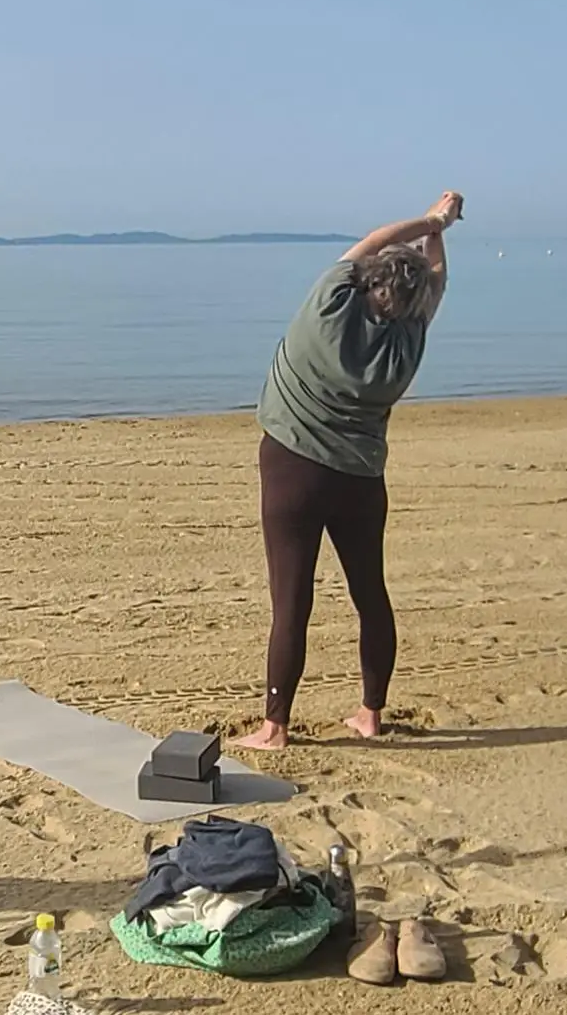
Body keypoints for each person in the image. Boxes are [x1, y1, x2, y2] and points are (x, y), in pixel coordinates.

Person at [233, 192, 463, 752]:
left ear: (368, 282)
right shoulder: (409, 340)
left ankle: (274, 726)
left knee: (292, 600)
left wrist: (431, 219)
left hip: (291, 469)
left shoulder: (330, 303)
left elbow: (375, 239)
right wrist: (441, 235)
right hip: (359, 480)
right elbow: (437, 281)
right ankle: (369, 713)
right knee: (370, 594)